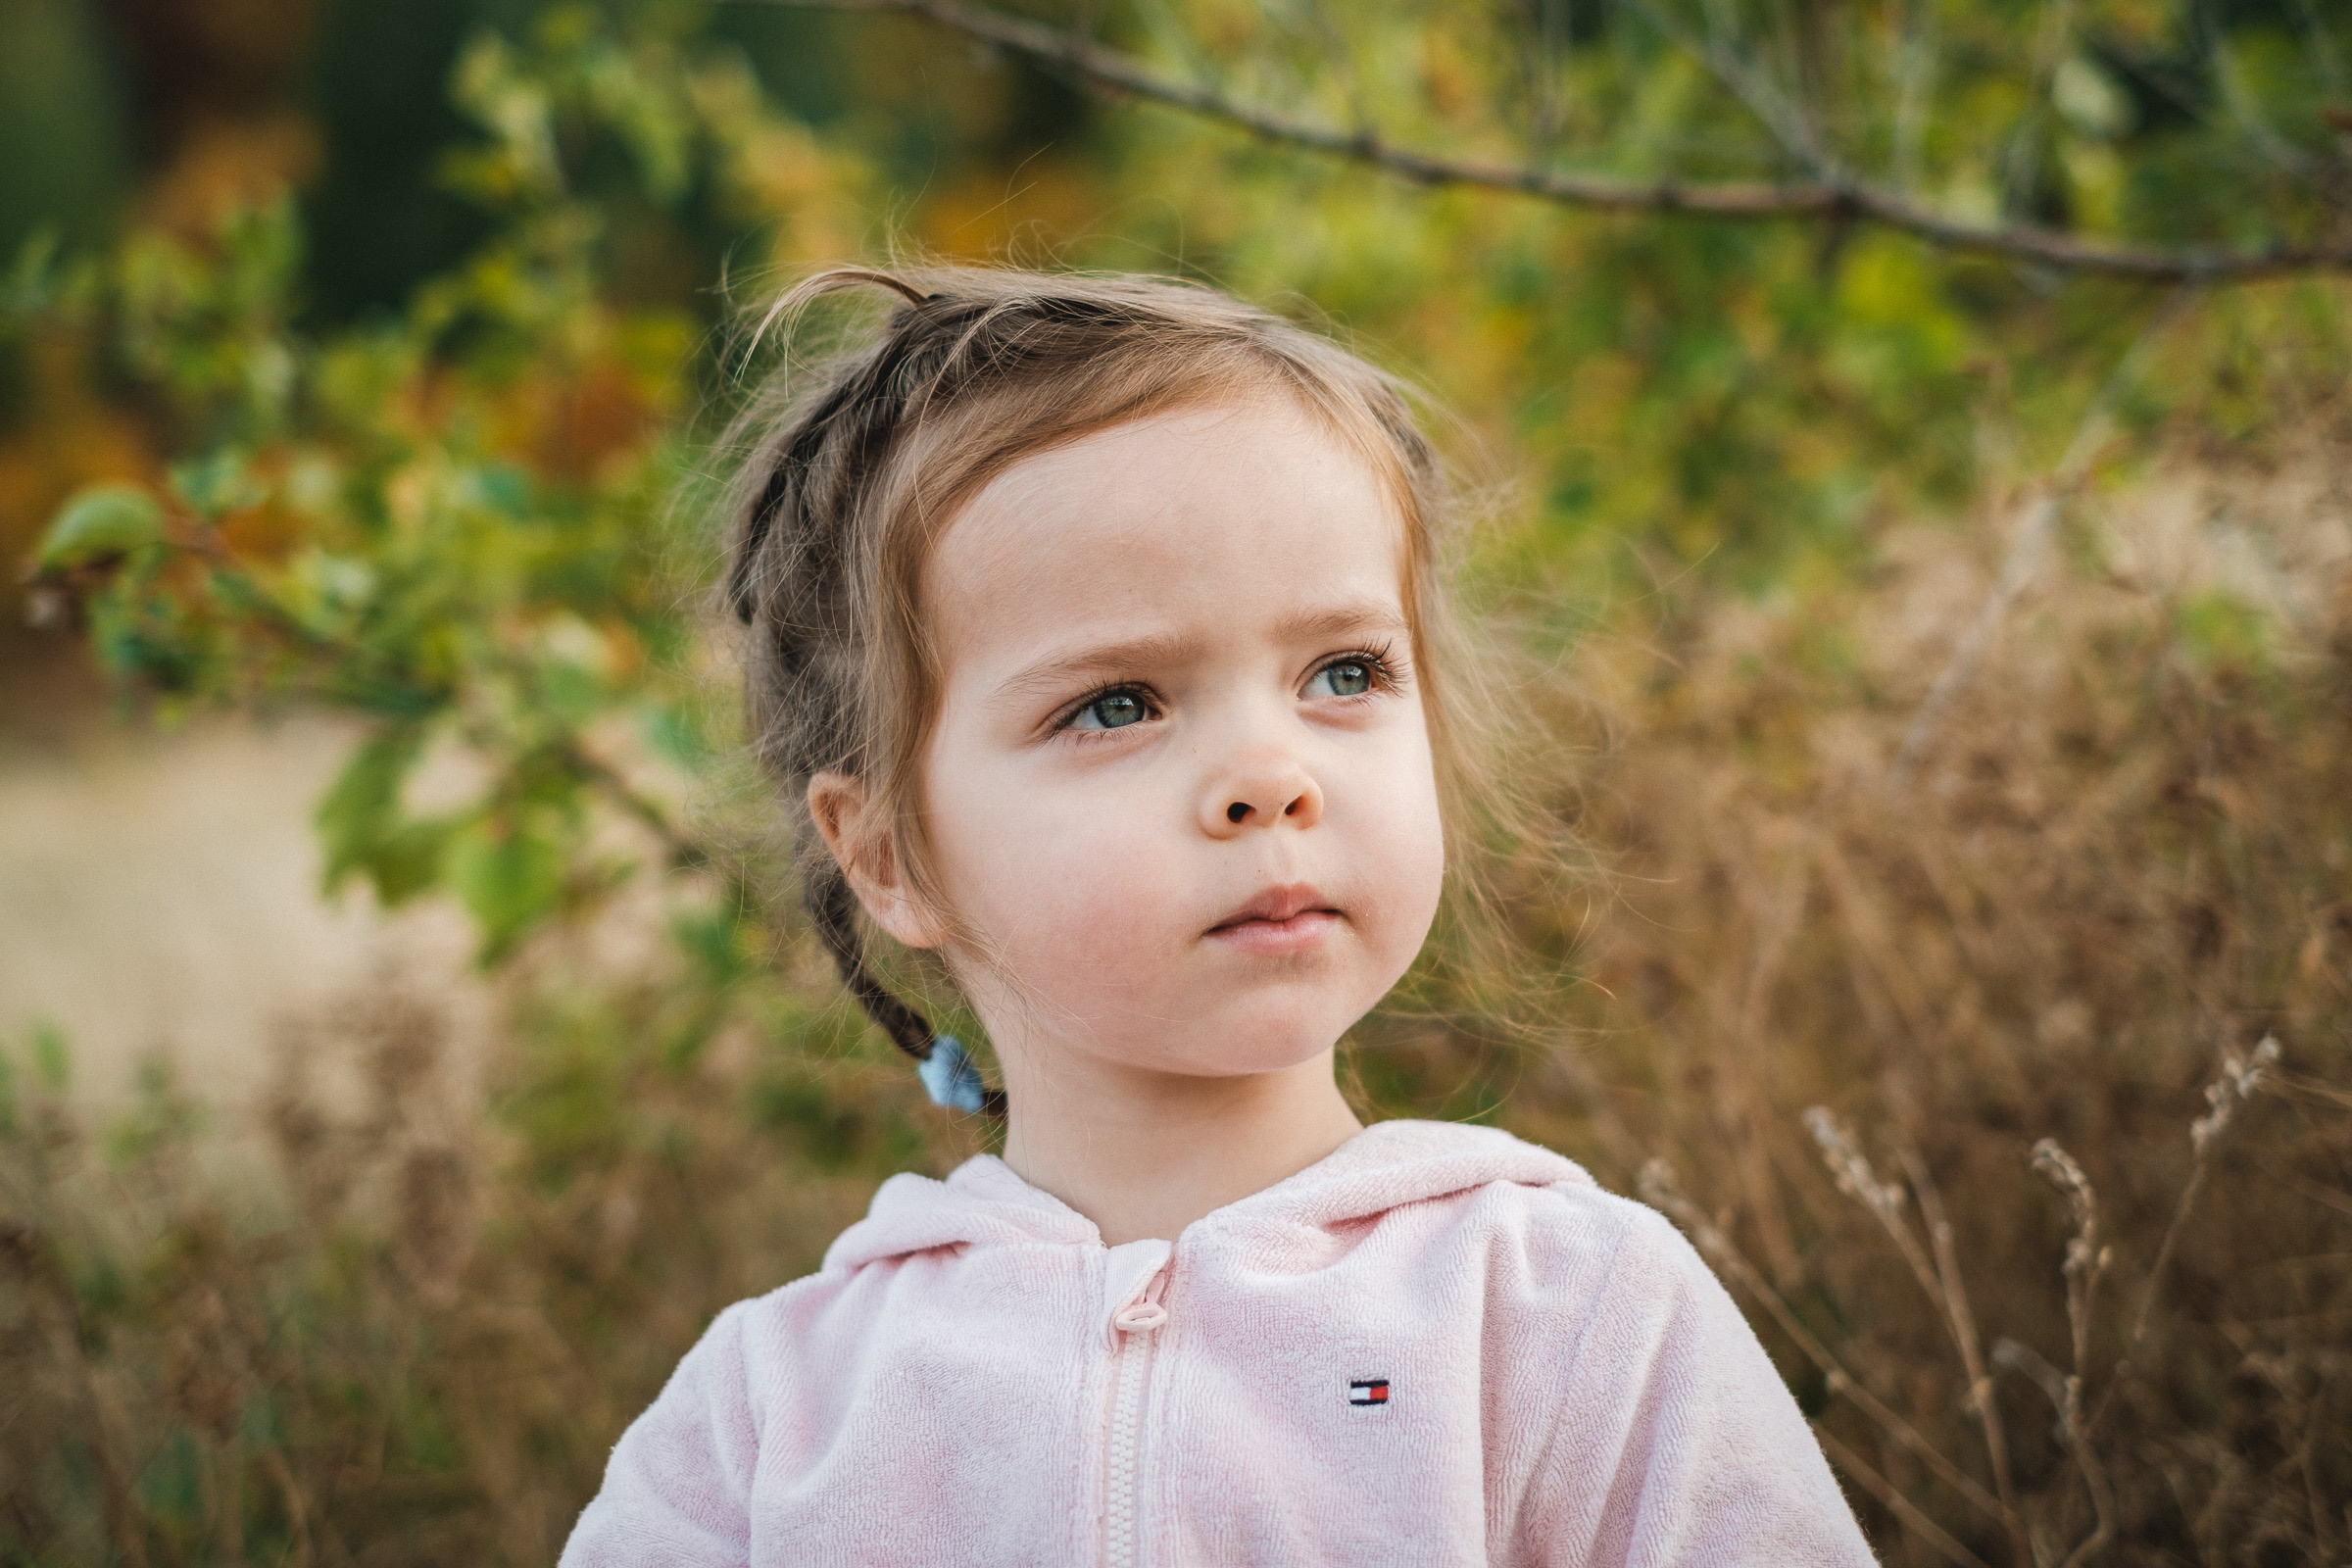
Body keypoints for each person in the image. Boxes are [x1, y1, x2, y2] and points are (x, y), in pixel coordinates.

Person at [560, 266, 1876, 1566]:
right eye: (1118, 703)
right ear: (891, 854)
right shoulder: (768, 1426)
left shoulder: (1558, 1316)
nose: (1271, 776)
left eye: (1343, 673)